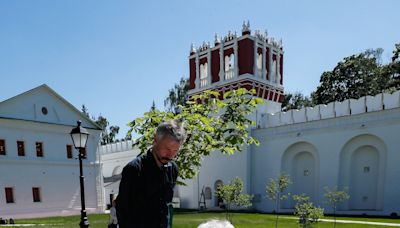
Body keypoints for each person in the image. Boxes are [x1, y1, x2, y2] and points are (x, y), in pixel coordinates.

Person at [116, 120, 186, 228]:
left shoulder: (173, 169)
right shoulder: (134, 170)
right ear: (155, 140)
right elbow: (122, 212)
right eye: (167, 148)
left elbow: (166, 207)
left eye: (175, 150)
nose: (170, 155)